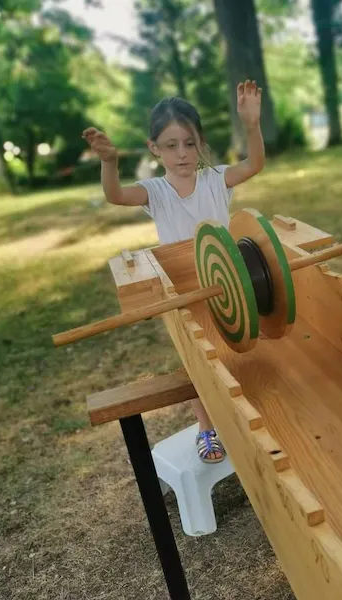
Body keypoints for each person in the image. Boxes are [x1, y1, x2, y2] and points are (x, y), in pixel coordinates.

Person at [81, 79, 265, 463]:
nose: (182, 154)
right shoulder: (156, 191)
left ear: (200, 144)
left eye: (189, 143)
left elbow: (255, 164)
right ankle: (207, 427)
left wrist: (251, 125)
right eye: (170, 145)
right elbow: (115, 196)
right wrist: (109, 163)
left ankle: (246, 414)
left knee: (237, 346)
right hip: (182, 291)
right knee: (199, 362)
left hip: (227, 280)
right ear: (154, 148)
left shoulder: (216, 179)